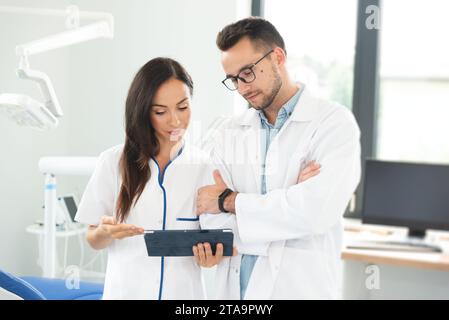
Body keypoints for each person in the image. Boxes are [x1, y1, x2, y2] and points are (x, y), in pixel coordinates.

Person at [196, 17, 361, 299]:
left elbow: (315, 212)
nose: (242, 87)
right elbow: (213, 223)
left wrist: (231, 201)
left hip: (300, 289)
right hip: (238, 292)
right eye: (233, 79)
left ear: (278, 57)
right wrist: (290, 199)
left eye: (247, 72)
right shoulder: (227, 134)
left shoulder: (334, 123)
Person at [75, 57, 228, 299]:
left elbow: (217, 240)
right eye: (160, 111)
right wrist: (105, 232)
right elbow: (93, 238)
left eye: (183, 107)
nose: (175, 120)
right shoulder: (113, 162)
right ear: (143, 111)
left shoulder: (206, 167)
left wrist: (211, 259)